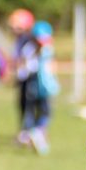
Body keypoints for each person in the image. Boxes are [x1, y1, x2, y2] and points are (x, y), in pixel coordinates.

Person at [24, 20, 60, 155]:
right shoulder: (46, 50)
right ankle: (38, 134)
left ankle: (35, 135)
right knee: (45, 113)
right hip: (43, 88)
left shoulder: (30, 49)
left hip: (34, 87)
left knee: (36, 113)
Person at [7, 8, 37, 144]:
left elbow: (24, 59)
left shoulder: (27, 40)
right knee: (23, 105)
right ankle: (24, 132)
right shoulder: (20, 40)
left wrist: (14, 67)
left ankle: (28, 134)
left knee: (29, 106)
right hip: (23, 78)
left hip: (29, 77)